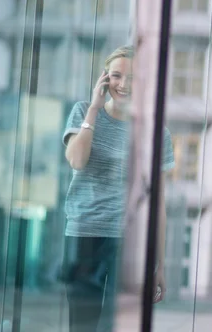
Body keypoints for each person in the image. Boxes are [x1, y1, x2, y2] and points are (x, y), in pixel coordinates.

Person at [61, 45, 175, 332]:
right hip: (84, 234)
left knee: (124, 324)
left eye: (133, 78)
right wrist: (94, 109)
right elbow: (76, 160)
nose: (123, 85)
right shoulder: (83, 113)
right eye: (116, 76)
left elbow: (158, 202)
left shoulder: (156, 132)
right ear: (104, 78)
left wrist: (160, 264)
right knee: (83, 325)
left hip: (129, 240)